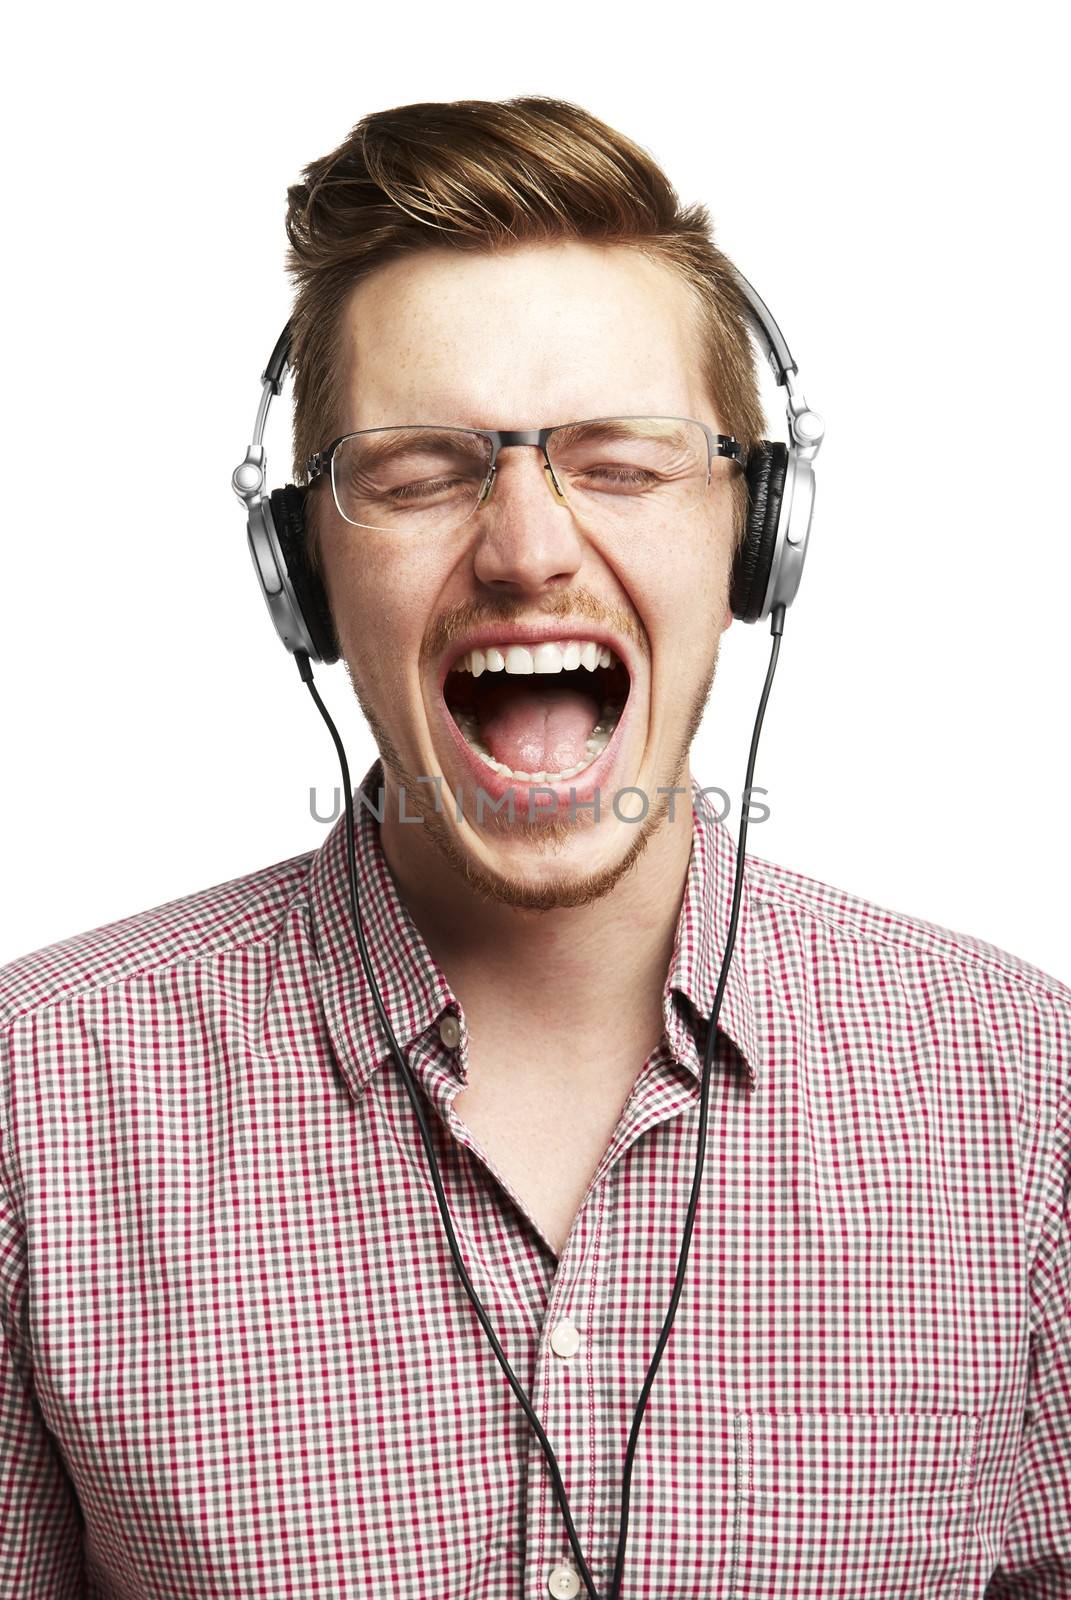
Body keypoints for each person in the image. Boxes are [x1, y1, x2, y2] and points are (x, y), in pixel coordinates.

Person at [1, 96, 1067, 1600]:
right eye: (423, 471)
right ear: (304, 571)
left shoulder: (1026, 1095)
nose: (528, 547)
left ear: (757, 536)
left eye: (622, 463)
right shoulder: (34, 1104)